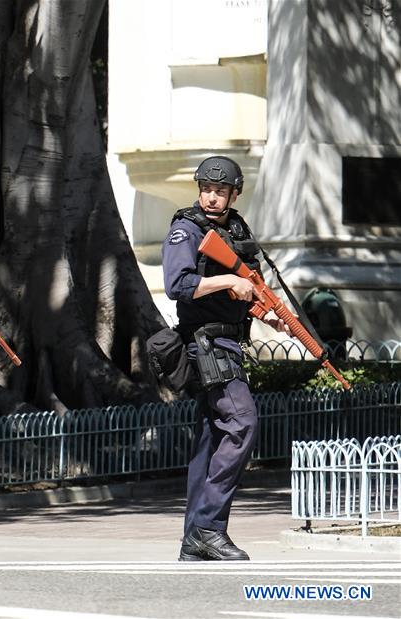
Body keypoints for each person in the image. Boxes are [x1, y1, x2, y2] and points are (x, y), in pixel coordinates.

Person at [162, 156, 289, 561]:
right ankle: (208, 528)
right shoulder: (185, 229)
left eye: (221, 191)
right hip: (205, 345)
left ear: (235, 194)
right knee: (241, 422)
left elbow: (245, 288)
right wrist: (229, 281)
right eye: (206, 190)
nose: (212, 197)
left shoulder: (236, 229)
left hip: (229, 342)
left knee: (211, 439)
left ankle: (193, 540)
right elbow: (177, 284)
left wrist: (268, 311)